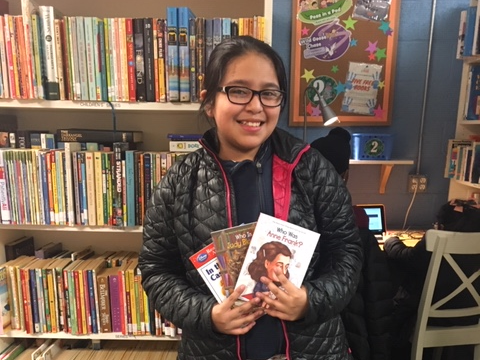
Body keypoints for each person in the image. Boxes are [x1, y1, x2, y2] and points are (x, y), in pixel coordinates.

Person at [139, 36, 362, 360]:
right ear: (208, 102)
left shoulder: (312, 169)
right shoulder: (179, 182)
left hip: (314, 349)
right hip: (212, 351)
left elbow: (347, 252)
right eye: (239, 90)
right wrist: (208, 315)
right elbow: (156, 269)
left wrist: (310, 300)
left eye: (269, 93)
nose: (256, 106)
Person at [311, 127, 394, 360]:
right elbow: (378, 302)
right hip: (356, 336)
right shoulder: (358, 225)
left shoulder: (295, 221)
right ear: (345, 175)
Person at [384, 199, 480, 360]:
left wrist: (391, 240)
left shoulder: (435, 239)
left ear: (440, 226)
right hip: (470, 317)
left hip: (431, 318)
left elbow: (405, 256)